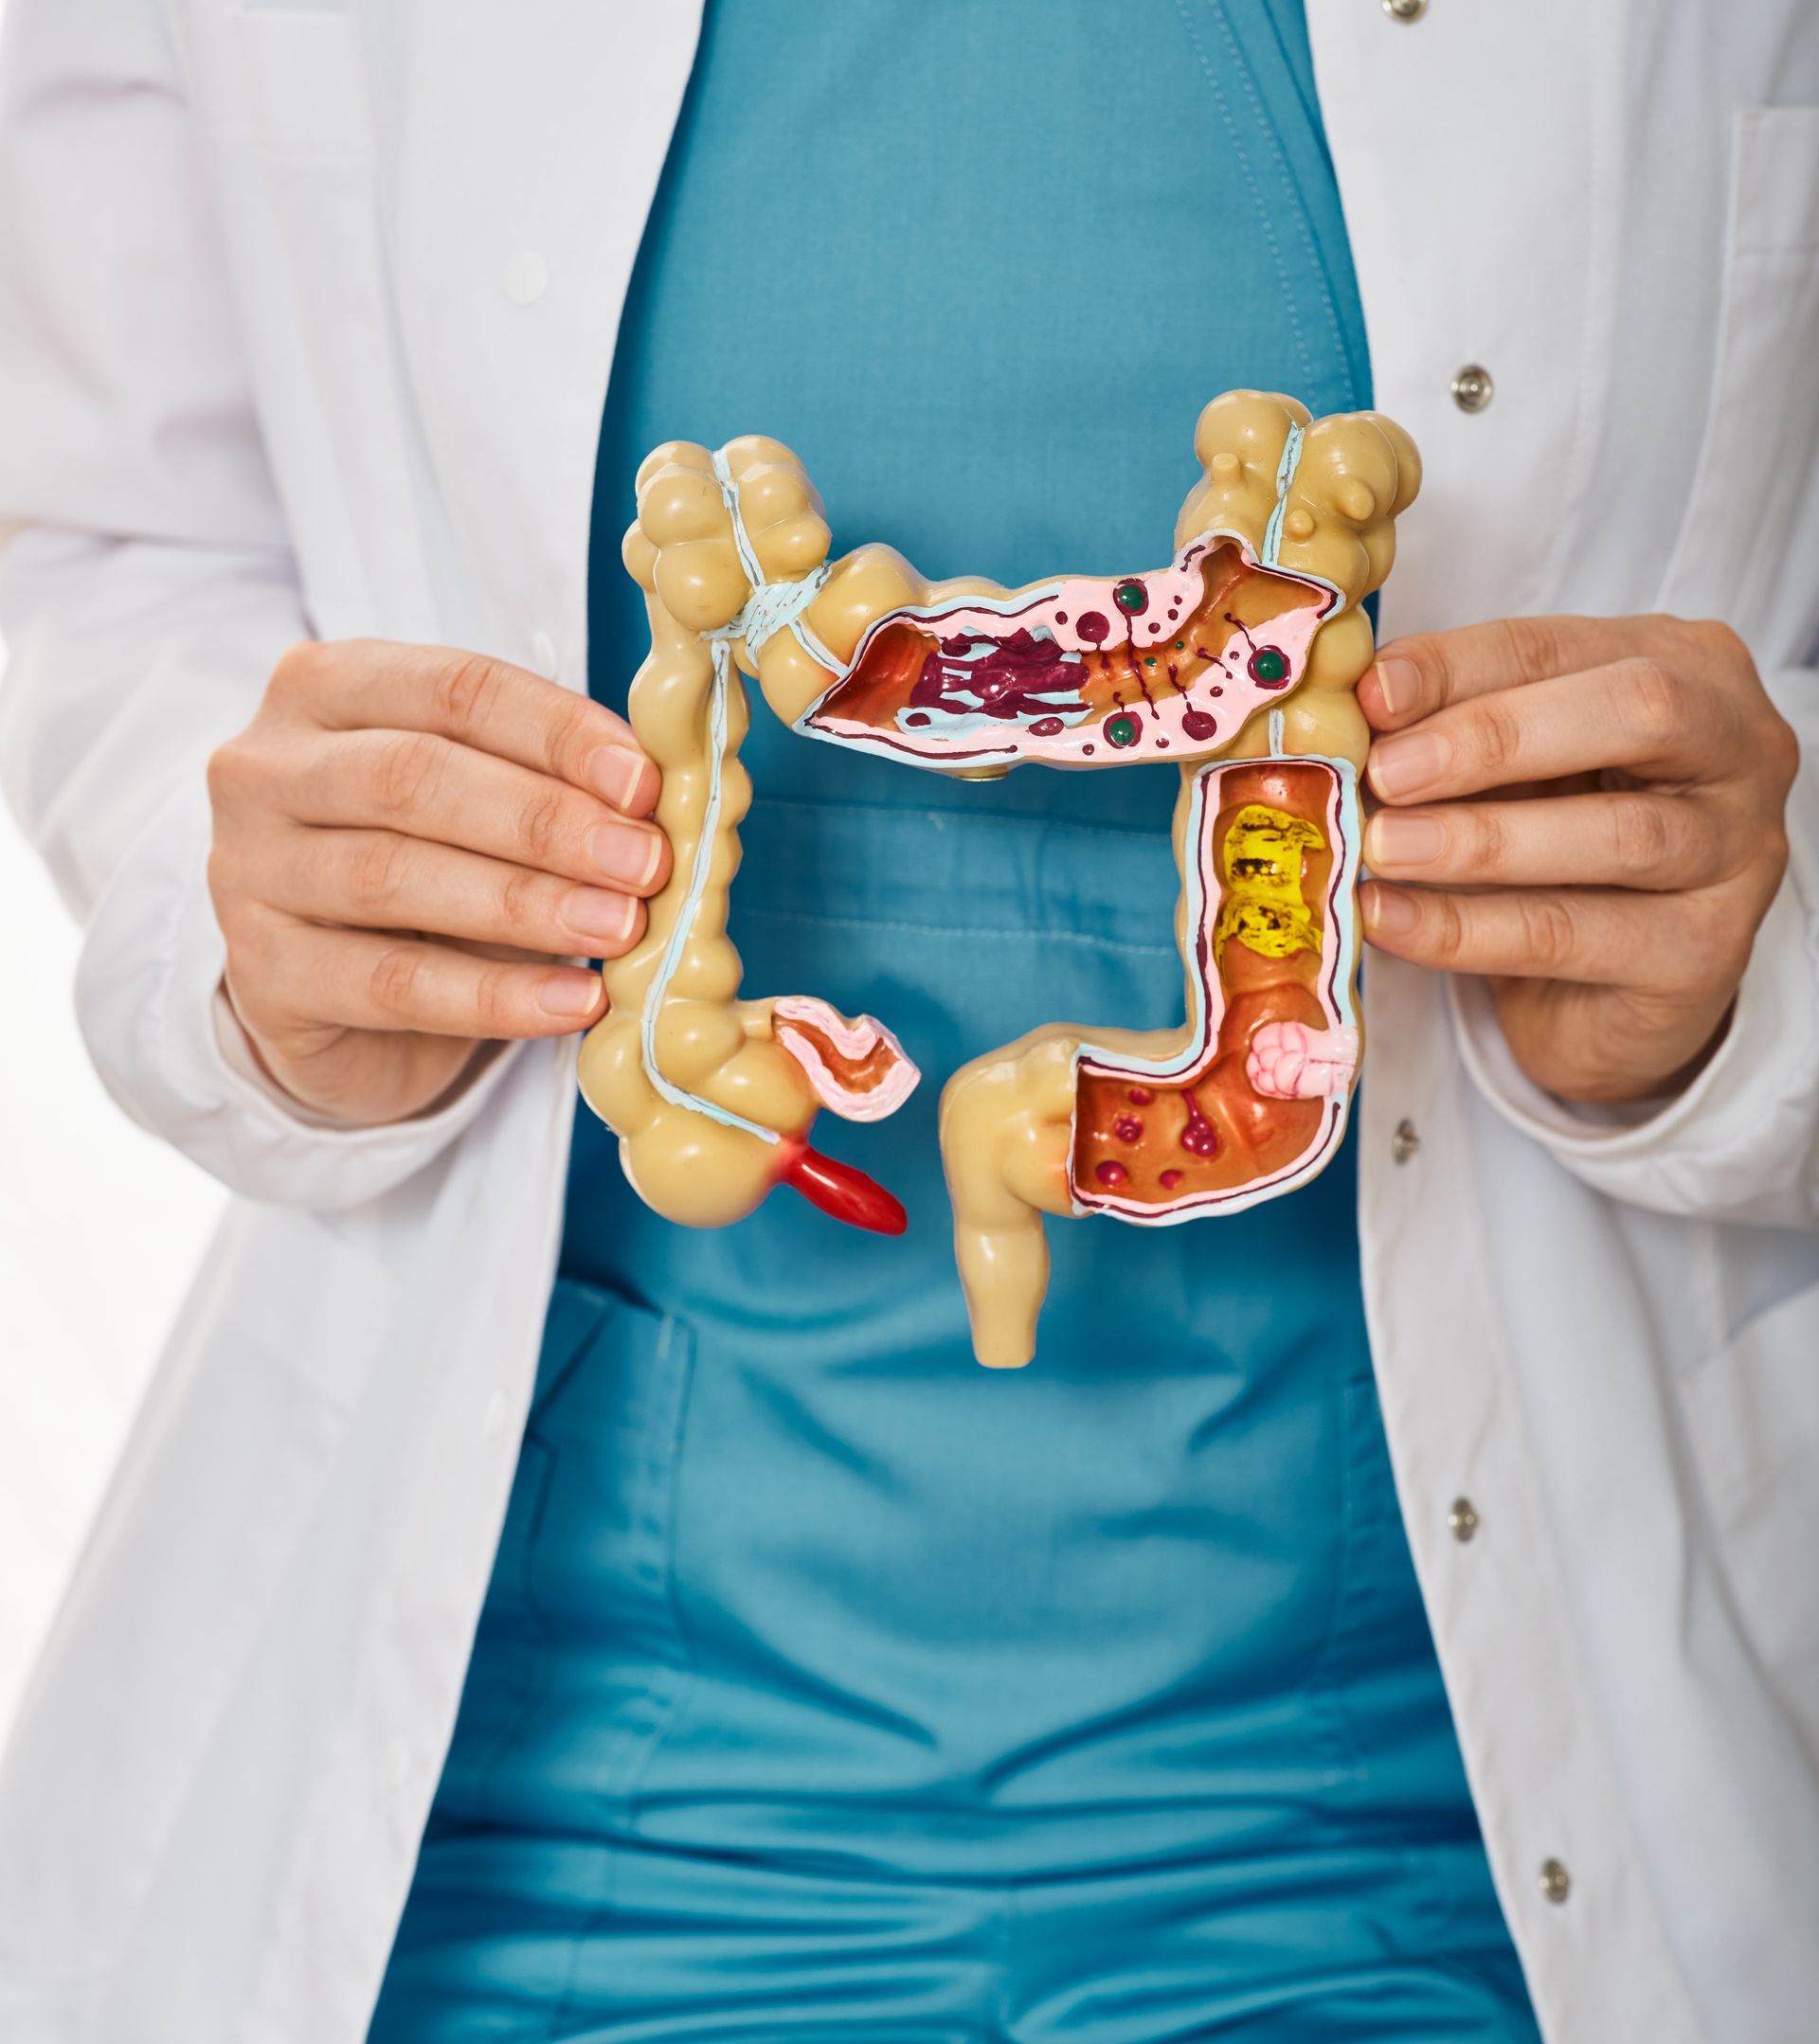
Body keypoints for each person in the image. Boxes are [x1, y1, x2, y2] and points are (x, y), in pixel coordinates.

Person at [0, 2, 1813, 2039]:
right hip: (567, 1811)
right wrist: (277, 910)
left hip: (1435, 1818)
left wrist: (1742, 957)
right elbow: (123, 537)